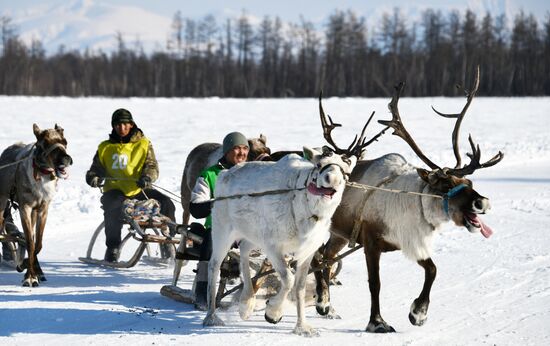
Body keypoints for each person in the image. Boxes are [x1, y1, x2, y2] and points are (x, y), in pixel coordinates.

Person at [85, 108, 176, 263]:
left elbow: (152, 166)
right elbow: (95, 169)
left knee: (167, 204)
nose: (122, 128)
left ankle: (168, 241)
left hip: (140, 189)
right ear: (113, 126)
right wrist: (93, 177)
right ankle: (113, 247)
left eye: (125, 124)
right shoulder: (105, 147)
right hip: (115, 191)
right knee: (112, 208)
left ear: (131, 125)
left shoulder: (143, 144)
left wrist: (147, 177)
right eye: (118, 125)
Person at [189, 131, 249, 308]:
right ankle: (202, 291)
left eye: (245, 148)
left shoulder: (252, 173)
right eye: (237, 148)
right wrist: (221, 203)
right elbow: (196, 207)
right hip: (219, 228)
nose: (241, 153)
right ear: (227, 151)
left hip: (248, 229)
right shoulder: (209, 175)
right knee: (210, 248)